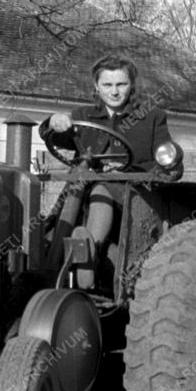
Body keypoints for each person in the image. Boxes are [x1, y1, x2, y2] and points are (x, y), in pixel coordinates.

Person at [38, 54, 170, 289]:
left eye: (121, 84)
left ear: (132, 86)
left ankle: (90, 252)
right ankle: (52, 270)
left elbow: (166, 164)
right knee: (52, 223)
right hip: (82, 193)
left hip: (135, 197)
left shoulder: (151, 117)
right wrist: (54, 121)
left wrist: (127, 171)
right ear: (96, 88)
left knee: (102, 187)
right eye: (107, 85)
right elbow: (54, 134)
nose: (115, 91)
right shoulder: (82, 117)